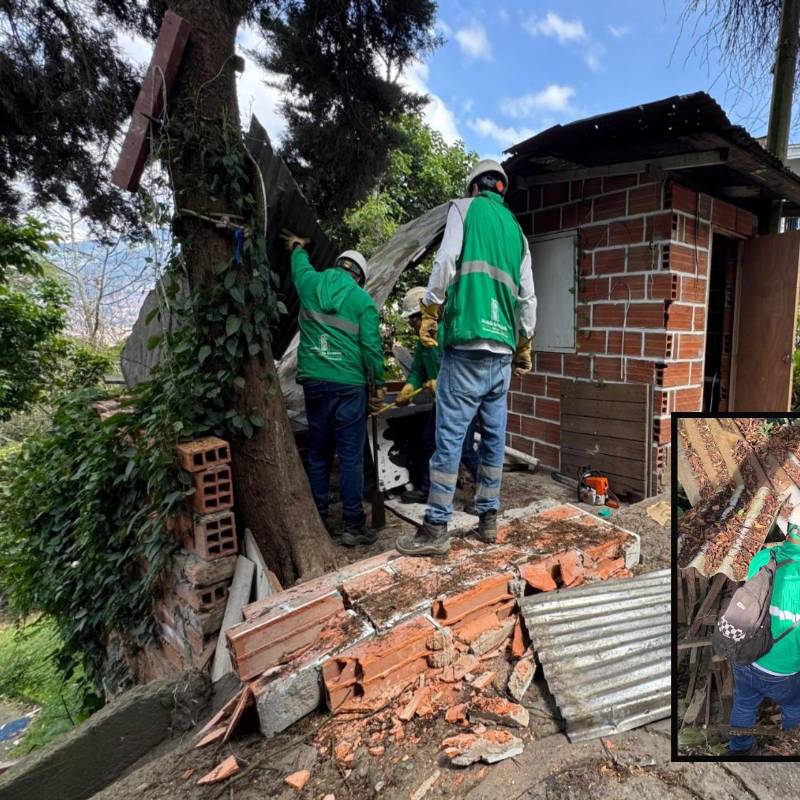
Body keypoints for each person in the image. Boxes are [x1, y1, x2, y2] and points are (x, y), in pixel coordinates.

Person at [395, 159, 537, 557]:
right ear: (501, 188)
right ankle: (488, 520)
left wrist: (430, 308)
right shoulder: (517, 233)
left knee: (450, 439)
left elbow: (445, 263)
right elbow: (528, 296)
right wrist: (524, 341)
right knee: (493, 440)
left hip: (466, 345)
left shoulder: (464, 209)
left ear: (475, 186)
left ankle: (436, 527)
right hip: (502, 354)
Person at [280, 229, 385, 547]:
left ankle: (318, 520)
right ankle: (354, 525)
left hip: (314, 383)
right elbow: (371, 349)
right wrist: (377, 388)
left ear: (339, 265)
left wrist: (297, 247)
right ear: (360, 277)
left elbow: (300, 264)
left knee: (319, 453)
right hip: (350, 387)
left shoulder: (311, 283)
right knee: (351, 457)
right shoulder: (362, 301)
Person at [395, 286, 478, 504]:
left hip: (463, 401)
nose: (411, 324)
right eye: (410, 319)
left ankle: (488, 492)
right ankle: (427, 489)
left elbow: (464, 370)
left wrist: (441, 383)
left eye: (414, 318)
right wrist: (409, 387)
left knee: (465, 449)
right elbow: (417, 371)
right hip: (442, 403)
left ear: (425, 313)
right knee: (429, 440)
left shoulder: (448, 332)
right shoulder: (423, 342)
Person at [728, 505, 800, 755]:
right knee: (794, 708)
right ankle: (789, 749)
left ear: (789, 529)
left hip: (746, 655)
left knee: (744, 705)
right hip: (784, 672)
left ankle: (738, 750)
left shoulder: (762, 558)